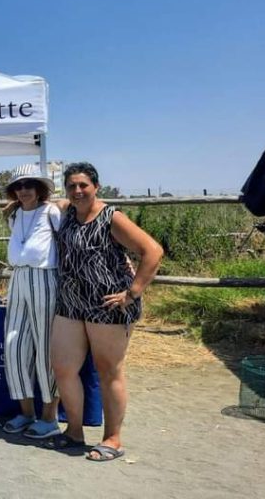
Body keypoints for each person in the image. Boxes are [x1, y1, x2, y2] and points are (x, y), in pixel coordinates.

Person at [48, 162, 163, 462]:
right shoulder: (68, 213)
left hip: (109, 304)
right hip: (71, 302)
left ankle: (113, 438)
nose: (77, 191)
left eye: (83, 185)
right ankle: (74, 431)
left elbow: (153, 251)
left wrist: (133, 291)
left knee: (108, 370)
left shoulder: (112, 217)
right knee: (63, 367)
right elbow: (50, 202)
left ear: (96, 187)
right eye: (71, 186)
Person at [0, 164, 64, 439]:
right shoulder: (14, 215)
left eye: (29, 185)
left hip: (45, 278)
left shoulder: (52, 212)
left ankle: (50, 417)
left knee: (46, 347)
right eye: (18, 186)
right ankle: (26, 412)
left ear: (40, 189)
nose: (23, 190)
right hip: (18, 279)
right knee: (14, 346)